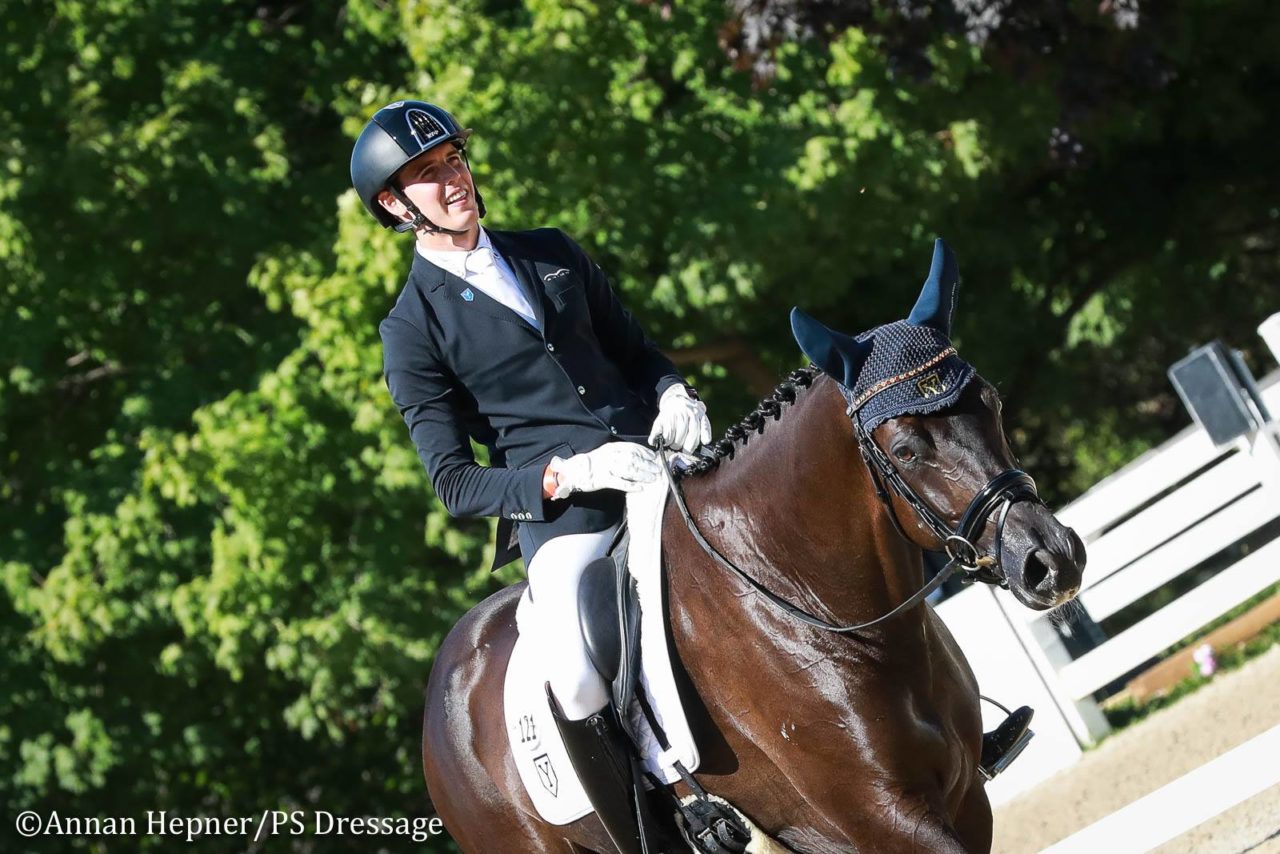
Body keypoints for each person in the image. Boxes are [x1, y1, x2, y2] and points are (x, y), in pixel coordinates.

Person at [352, 100, 710, 852]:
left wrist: (675, 391)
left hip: (659, 462)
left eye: (453, 159)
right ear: (394, 204)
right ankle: (659, 828)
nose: (453, 179)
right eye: (427, 174)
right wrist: (570, 473)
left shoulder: (550, 251)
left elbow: (637, 352)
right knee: (576, 672)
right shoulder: (411, 330)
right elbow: (453, 481)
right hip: (568, 516)